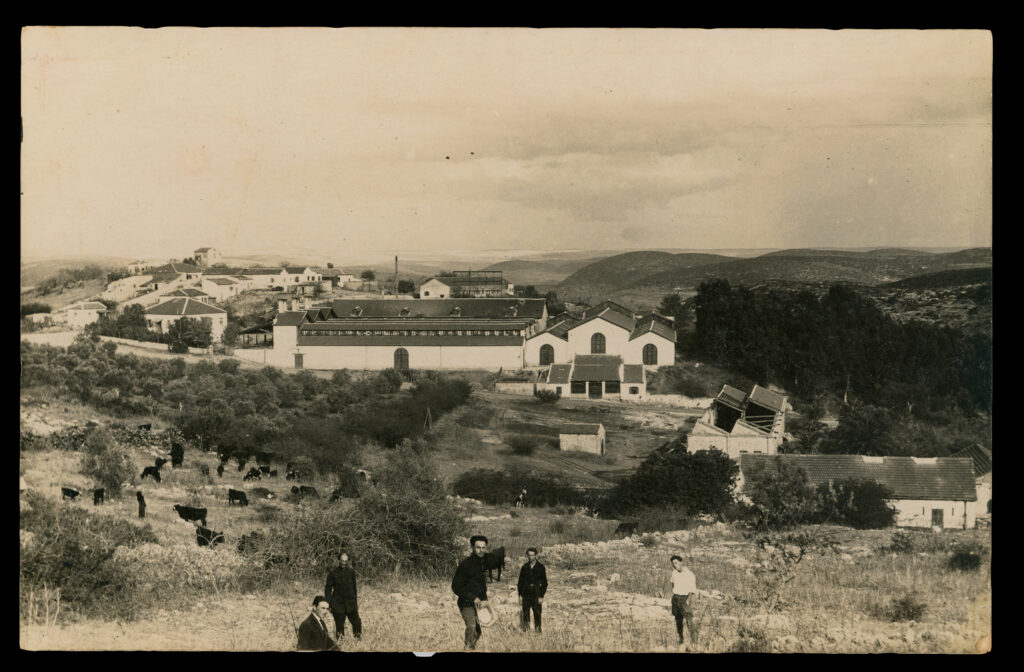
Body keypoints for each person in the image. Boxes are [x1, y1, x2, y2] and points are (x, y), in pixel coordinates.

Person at [451, 535, 490, 650]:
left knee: (479, 629)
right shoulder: (465, 565)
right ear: (472, 547)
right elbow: (456, 586)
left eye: (483, 547)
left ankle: (470, 648)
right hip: (466, 603)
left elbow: (482, 586)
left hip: (480, 603)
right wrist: (473, 598)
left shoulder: (483, 564)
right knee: (472, 627)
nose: (481, 550)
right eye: (478, 547)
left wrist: (485, 600)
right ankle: (468, 648)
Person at [325, 551, 362, 640]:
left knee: (357, 622)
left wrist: (355, 603)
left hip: (350, 603)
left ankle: (357, 641)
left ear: (348, 561)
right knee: (339, 626)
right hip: (338, 604)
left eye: (345, 561)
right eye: (342, 561)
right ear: (339, 560)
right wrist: (329, 604)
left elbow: (354, 588)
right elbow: (327, 590)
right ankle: (340, 645)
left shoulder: (351, 572)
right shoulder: (333, 573)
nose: (343, 563)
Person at [517, 547, 547, 633]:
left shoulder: (541, 567)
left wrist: (541, 596)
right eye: (529, 555)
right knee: (525, 614)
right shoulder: (524, 567)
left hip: (536, 593)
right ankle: (526, 632)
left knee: (537, 614)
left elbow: (545, 583)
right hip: (526, 594)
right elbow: (520, 582)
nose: (531, 557)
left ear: (536, 555)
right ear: (527, 556)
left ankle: (538, 633)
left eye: (532, 555)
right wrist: (520, 595)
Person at [669, 555, 698, 646]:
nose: (674, 565)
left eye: (676, 563)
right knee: (678, 620)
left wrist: (687, 602)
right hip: (675, 598)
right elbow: (673, 584)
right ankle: (681, 639)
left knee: (689, 620)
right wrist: (676, 594)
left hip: (684, 599)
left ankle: (694, 641)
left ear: (681, 562)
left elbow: (692, 590)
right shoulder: (674, 572)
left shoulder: (690, 575)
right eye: (673, 563)